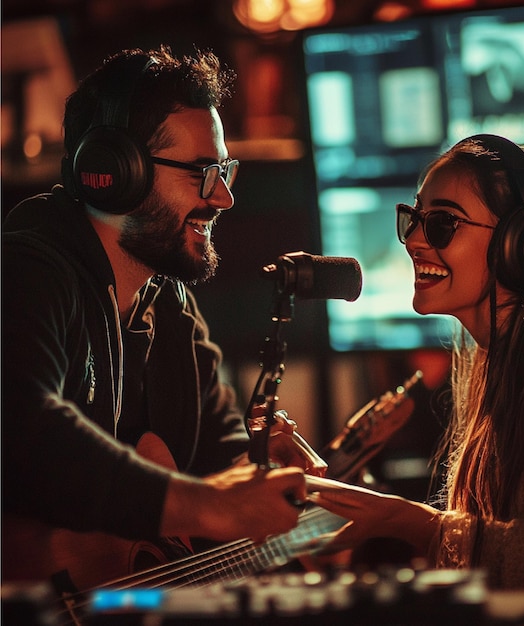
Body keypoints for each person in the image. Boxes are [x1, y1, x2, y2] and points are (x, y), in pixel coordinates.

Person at [1, 46, 311, 586]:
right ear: (113, 173)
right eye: (203, 171)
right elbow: (24, 429)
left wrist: (259, 474)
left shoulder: (170, 307)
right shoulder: (26, 273)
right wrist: (209, 505)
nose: (224, 198)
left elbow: (219, 459)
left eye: (225, 170)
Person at [308, 134, 524, 589]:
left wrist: (411, 522)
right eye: (414, 219)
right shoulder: (493, 361)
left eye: (441, 223)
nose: (414, 240)